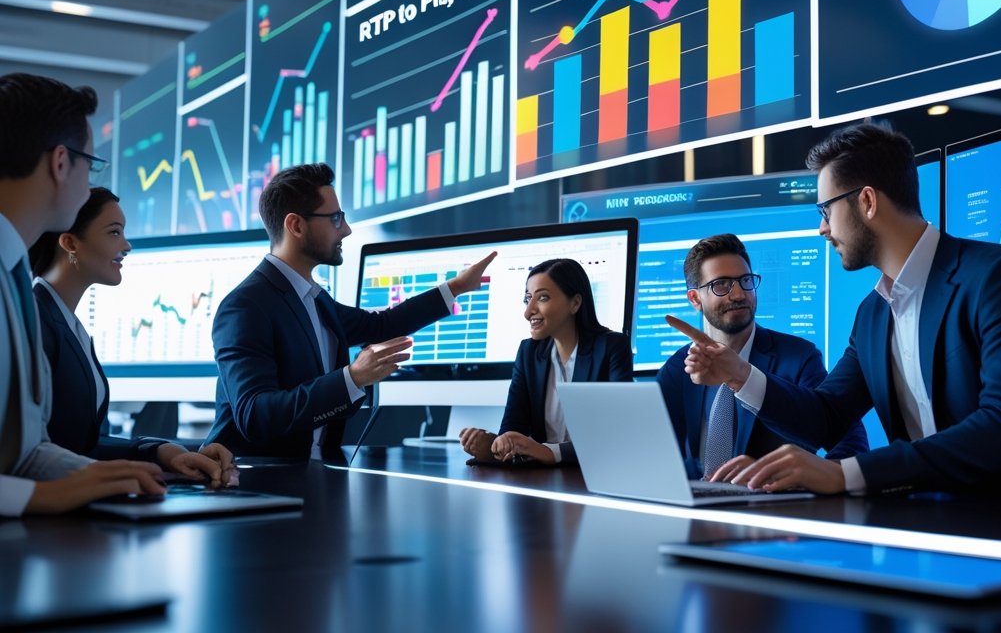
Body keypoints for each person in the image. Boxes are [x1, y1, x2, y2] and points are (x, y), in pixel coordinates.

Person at [682, 122, 1001, 505]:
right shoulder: (873, 314)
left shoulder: (999, 277)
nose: (822, 228)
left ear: (867, 201)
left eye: (826, 210)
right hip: (936, 524)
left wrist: (846, 474)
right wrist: (739, 373)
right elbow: (826, 417)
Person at [206, 162, 495, 459]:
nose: (346, 229)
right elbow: (255, 416)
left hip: (314, 472)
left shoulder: (314, 299)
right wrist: (352, 378)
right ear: (296, 226)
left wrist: (457, 287)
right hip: (256, 477)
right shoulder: (244, 307)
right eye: (335, 218)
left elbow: (382, 326)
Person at [0, 72, 165, 516]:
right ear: (60, 162)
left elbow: (26, 452)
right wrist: (41, 496)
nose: (89, 186)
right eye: (90, 166)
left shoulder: (14, 279)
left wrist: (118, 471)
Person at [29, 187, 236, 487]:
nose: (126, 245)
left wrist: (161, 452)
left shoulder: (69, 325)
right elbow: (33, 450)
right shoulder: (34, 320)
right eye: (114, 232)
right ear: (70, 243)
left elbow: (85, 445)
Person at [658, 234, 868, 480]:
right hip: (697, 500)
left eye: (745, 281)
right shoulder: (679, 367)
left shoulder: (799, 358)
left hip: (771, 501)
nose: (739, 294)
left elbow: (851, 441)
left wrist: (796, 478)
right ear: (695, 299)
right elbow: (651, 451)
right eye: (721, 284)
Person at [459, 258, 632, 465]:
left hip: (596, 473)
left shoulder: (612, 347)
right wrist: (494, 445)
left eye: (542, 298)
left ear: (575, 303)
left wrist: (551, 452)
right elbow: (513, 428)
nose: (528, 312)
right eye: (528, 299)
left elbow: (618, 434)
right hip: (541, 477)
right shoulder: (528, 352)